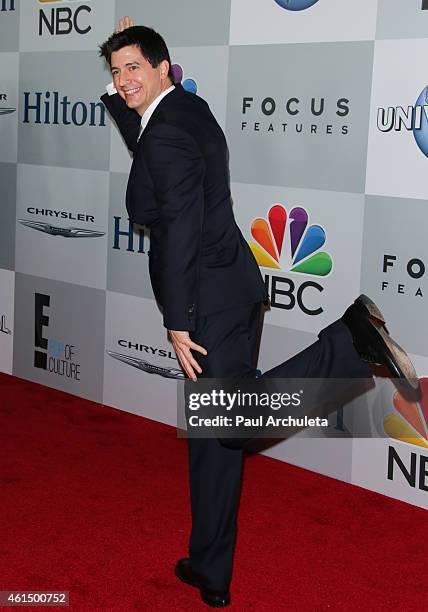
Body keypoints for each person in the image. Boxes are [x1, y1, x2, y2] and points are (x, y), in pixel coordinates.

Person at [99, 18, 418, 608]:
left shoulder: (165, 134)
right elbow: (144, 127)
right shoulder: (185, 109)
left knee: (235, 424)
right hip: (236, 288)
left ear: (163, 68)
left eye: (133, 69)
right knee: (212, 437)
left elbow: (176, 233)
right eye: (116, 73)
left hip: (207, 299)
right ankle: (210, 567)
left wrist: (177, 318)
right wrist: (128, 89)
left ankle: (349, 343)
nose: (123, 82)